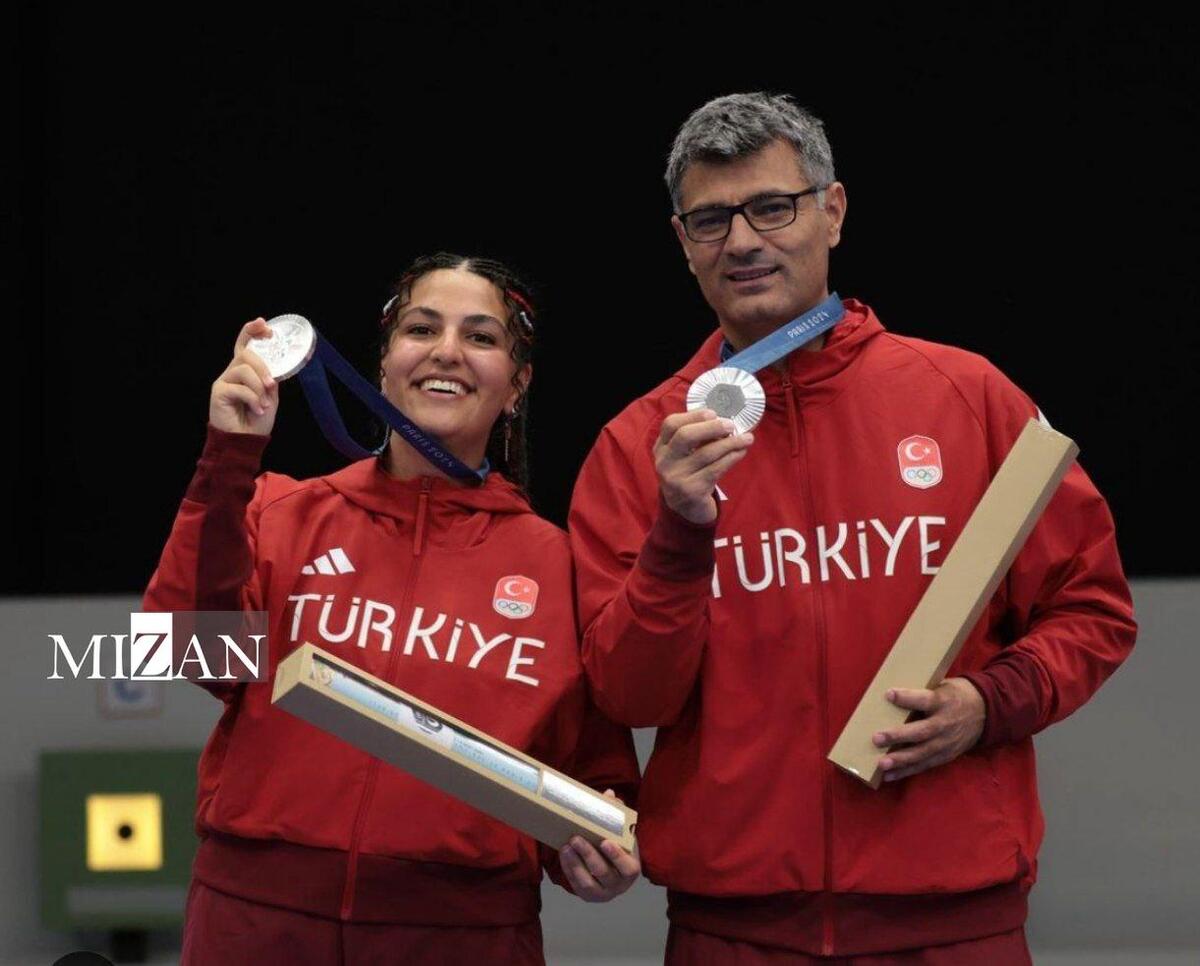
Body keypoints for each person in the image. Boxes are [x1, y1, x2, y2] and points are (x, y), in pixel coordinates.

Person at [569, 93, 1136, 964]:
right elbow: (629, 697)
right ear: (683, 242)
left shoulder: (968, 397)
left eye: (773, 207)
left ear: (832, 212)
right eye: (712, 219)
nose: (743, 241)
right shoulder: (639, 444)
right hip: (735, 930)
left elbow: (1092, 609)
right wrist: (679, 534)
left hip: (953, 923)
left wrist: (989, 704)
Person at [145, 253, 641, 965]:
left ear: (517, 384)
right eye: (421, 328)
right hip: (254, 926)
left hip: (462, 940)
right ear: (384, 364)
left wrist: (593, 856)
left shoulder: (560, 566)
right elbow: (183, 651)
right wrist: (228, 457)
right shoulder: (281, 512)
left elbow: (595, 779)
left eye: (480, 336)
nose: (446, 351)